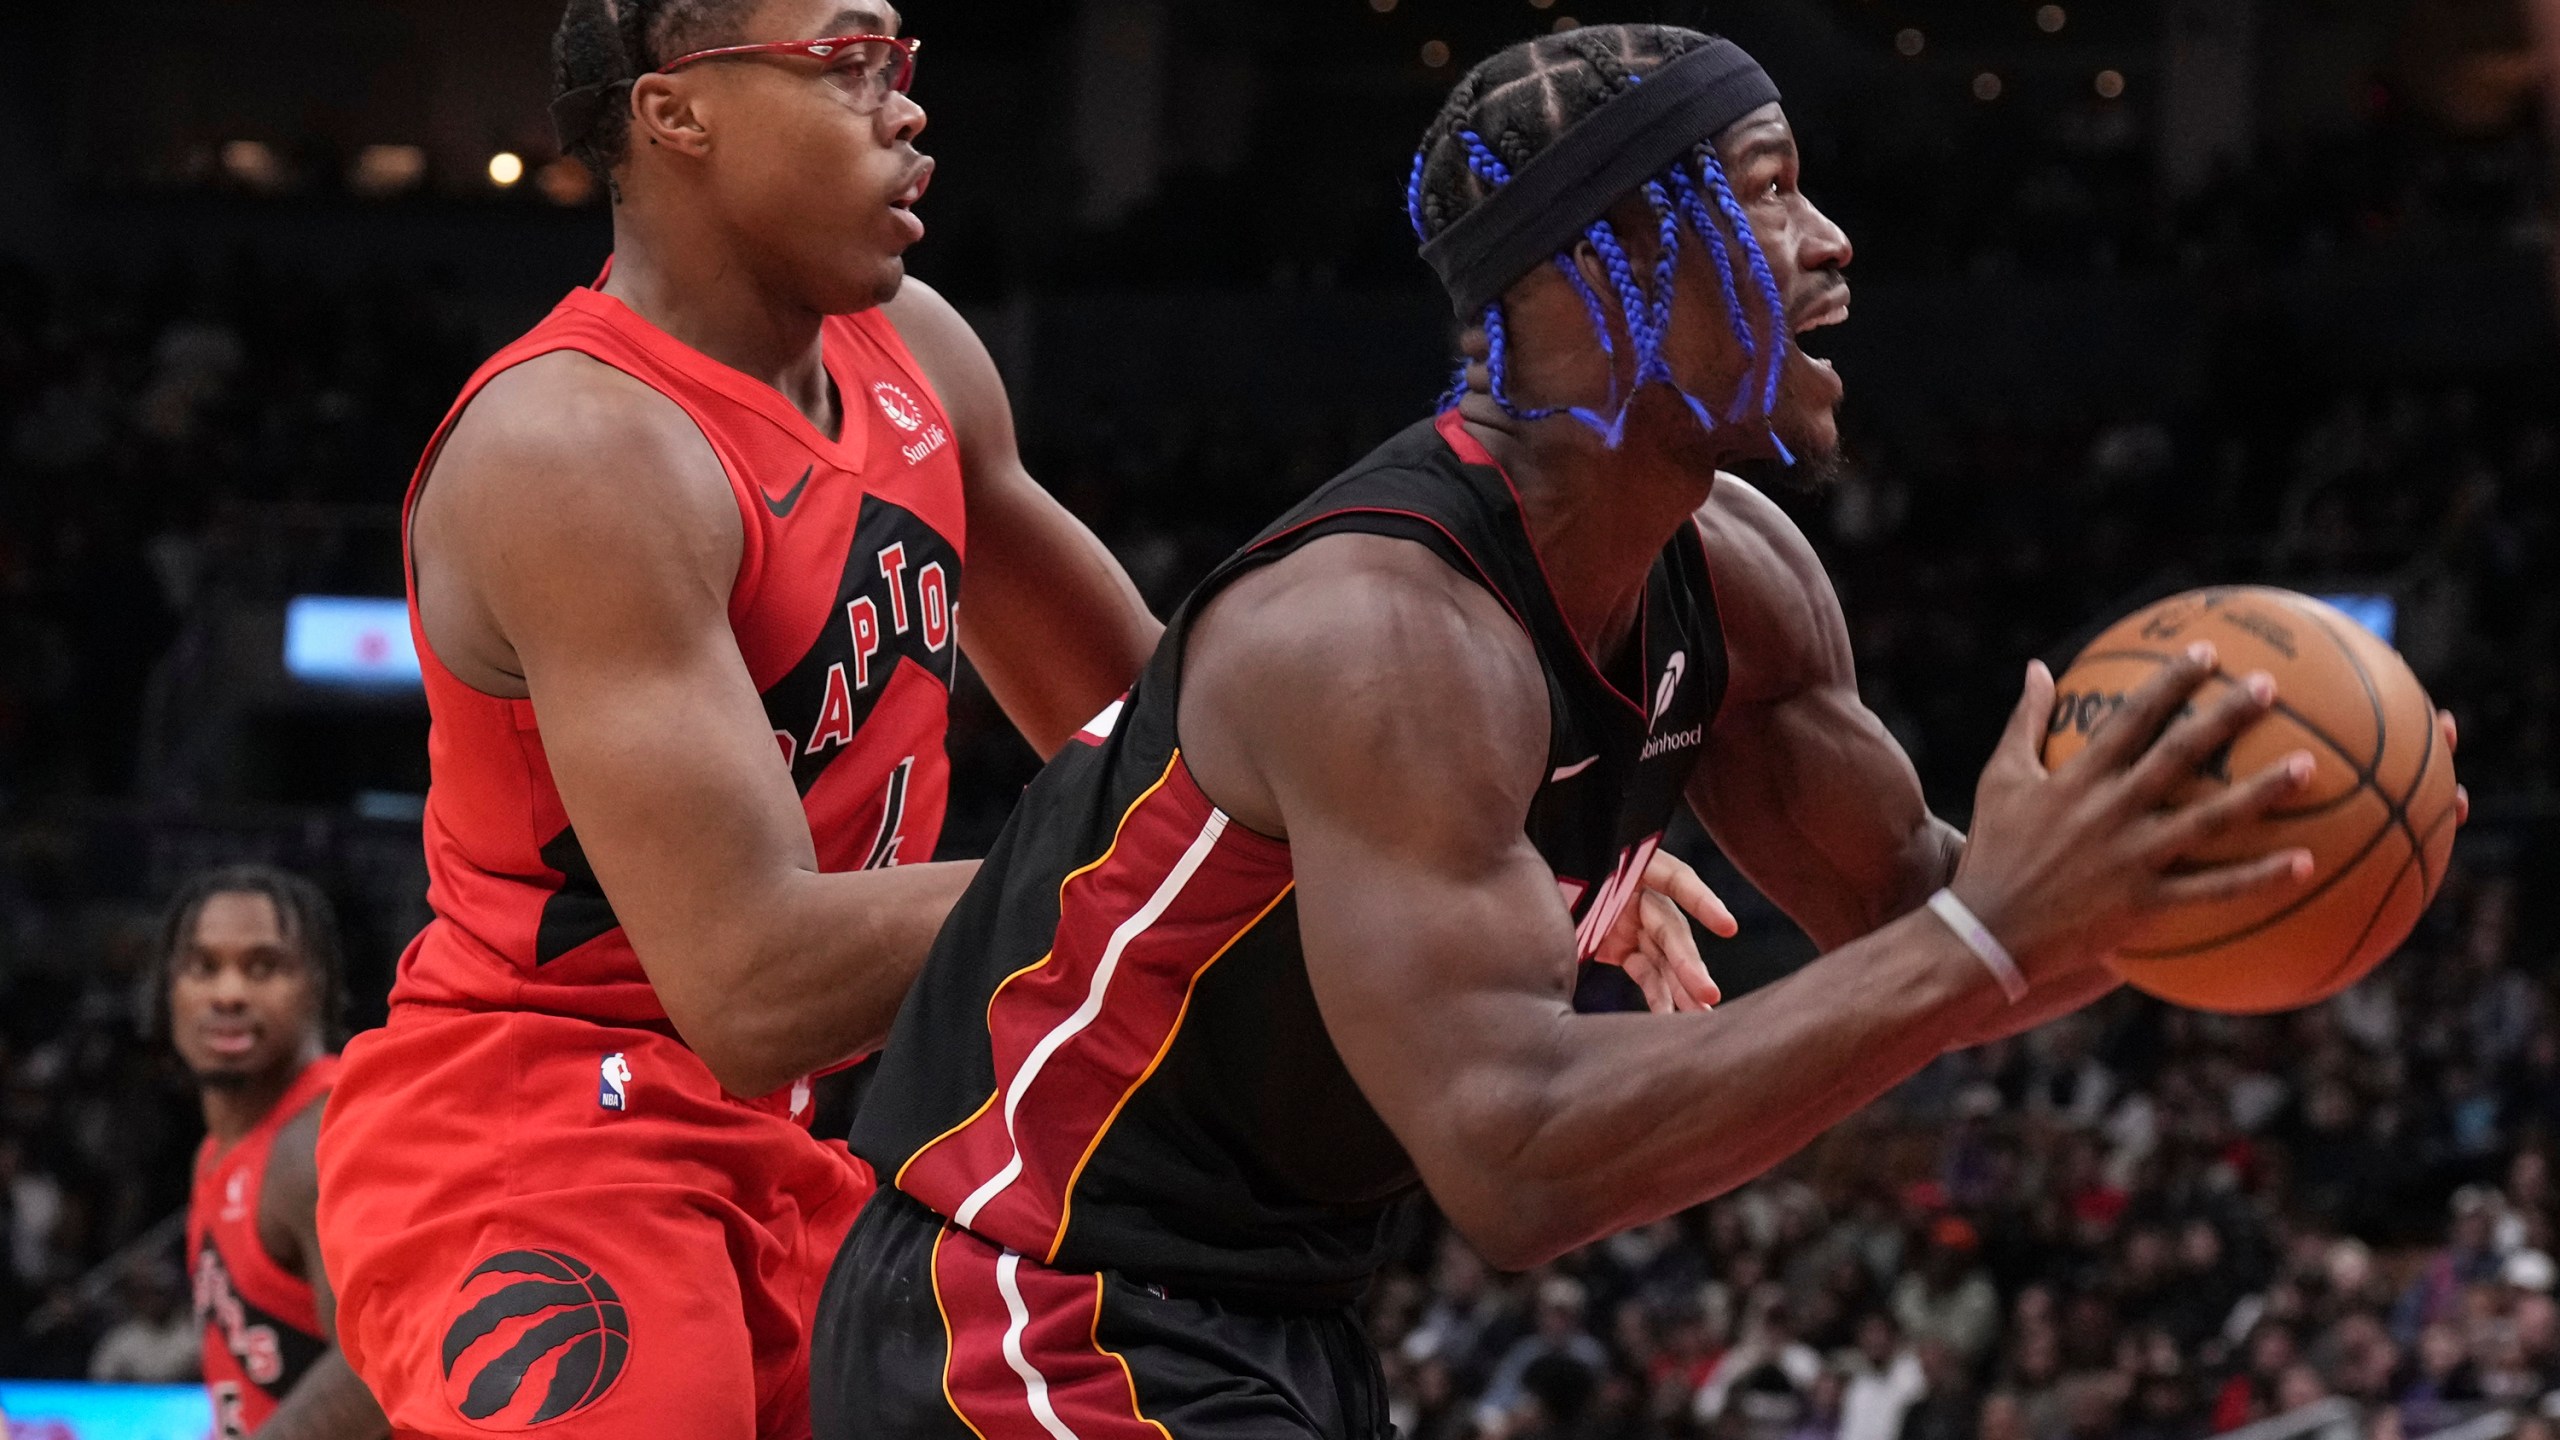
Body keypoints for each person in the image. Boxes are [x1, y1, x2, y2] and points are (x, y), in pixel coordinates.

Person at [814, 24, 2464, 1440]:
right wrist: (1991, 932)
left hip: (1264, 1307)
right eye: (1765, 191)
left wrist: (2216, 857)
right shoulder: (1380, 636)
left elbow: (1915, 914)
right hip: (1023, 1299)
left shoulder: (1733, 576)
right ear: (1584, 279)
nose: (1830, 242)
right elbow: (1517, 1164)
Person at [311, 1, 1160, 1437]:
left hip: (793, 1135)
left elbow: (1169, 746)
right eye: (847, 65)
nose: (904, 109)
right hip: (545, 1120)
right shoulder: (579, 447)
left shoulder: (916, 352)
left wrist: (1486, 859)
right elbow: (753, 981)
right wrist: (1158, 877)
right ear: (676, 114)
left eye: (901, 61)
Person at [168, 865, 385, 1438]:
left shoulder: (324, 1135)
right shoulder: (219, 1150)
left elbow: (380, 1364)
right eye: (203, 967)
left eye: (263, 967)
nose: (229, 993)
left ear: (316, 982)